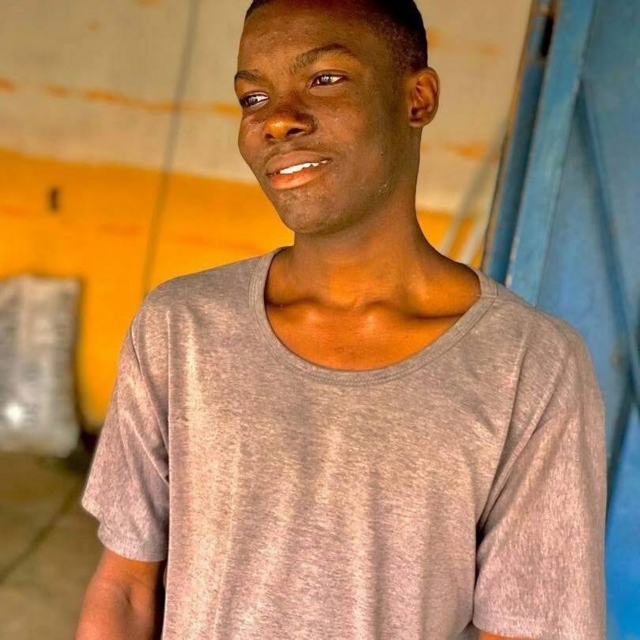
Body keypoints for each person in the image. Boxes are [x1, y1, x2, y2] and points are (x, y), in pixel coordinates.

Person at [76, 0, 607, 638]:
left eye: (325, 79)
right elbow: (126, 589)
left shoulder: (530, 366)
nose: (277, 119)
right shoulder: (180, 328)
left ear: (417, 99)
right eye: (253, 98)